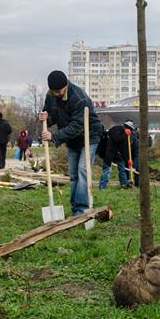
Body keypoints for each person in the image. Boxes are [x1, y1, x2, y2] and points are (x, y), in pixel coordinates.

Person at [40, 70, 104, 216]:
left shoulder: (79, 98)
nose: (56, 94)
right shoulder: (51, 95)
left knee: (83, 170)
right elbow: (51, 116)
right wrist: (45, 118)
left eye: (59, 91)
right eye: (53, 91)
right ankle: (75, 208)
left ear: (66, 85)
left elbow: (77, 126)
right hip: (71, 139)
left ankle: (82, 209)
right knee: (73, 174)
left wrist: (54, 136)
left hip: (89, 136)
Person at [98, 122, 133, 189]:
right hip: (109, 152)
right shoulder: (118, 128)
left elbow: (124, 149)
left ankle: (124, 183)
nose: (130, 131)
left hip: (116, 154)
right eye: (130, 129)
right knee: (107, 170)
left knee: (122, 167)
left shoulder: (127, 136)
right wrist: (125, 134)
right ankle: (102, 186)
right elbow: (116, 139)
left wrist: (128, 160)